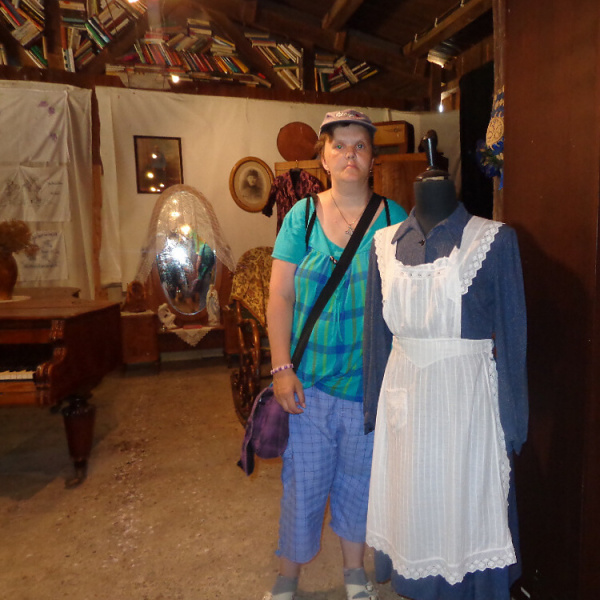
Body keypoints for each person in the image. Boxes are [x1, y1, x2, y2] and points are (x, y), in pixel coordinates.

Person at [362, 138, 528, 600]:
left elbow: (513, 337)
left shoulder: (493, 240)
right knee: (412, 497)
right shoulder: (383, 245)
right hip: (404, 399)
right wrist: (372, 409)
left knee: (465, 500)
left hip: (464, 401)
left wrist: (514, 420)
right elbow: (376, 337)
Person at [264, 108, 407, 600]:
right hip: (308, 385)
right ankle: (288, 576)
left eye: (360, 146)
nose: (350, 153)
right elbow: (279, 296)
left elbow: (411, 298)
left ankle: (354, 572)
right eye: (339, 145)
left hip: (370, 386)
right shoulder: (301, 217)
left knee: (358, 484)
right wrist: (281, 368)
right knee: (302, 485)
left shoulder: (393, 218)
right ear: (323, 157)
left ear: (372, 159)